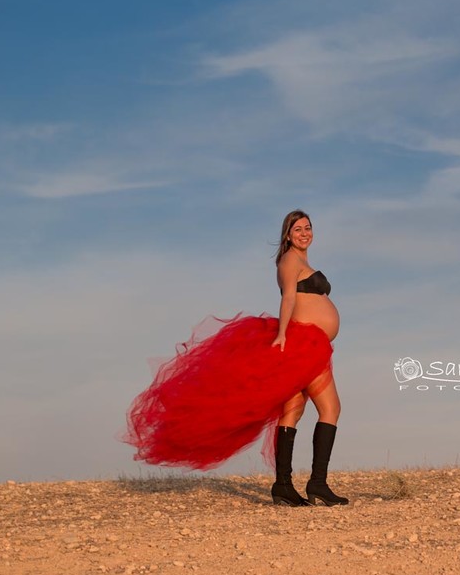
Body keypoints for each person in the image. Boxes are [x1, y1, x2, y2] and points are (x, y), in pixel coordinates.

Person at [125, 210, 349, 507]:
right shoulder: (289, 260)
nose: (304, 233)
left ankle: (283, 486)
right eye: (298, 229)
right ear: (287, 234)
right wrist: (282, 334)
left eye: (308, 228)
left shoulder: (302, 260)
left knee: (293, 410)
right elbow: (289, 298)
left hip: (309, 342)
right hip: (303, 342)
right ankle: (317, 484)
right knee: (331, 408)